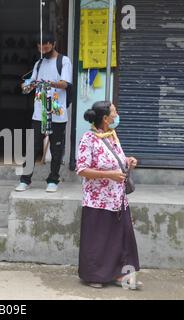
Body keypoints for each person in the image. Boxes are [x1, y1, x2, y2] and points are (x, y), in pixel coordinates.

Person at [77, 101, 141, 289]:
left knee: (120, 238)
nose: (116, 115)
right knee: (99, 240)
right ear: (105, 119)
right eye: (113, 112)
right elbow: (81, 169)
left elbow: (115, 159)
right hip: (98, 200)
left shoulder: (112, 135)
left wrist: (128, 161)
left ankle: (120, 275)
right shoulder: (88, 139)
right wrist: (109, 175)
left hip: (118, 199)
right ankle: (94, 276)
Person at [15, 33, 72, 193]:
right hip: (39, 114)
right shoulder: (38, 63)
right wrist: (26, 86)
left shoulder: (64, 61)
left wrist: (47, 83)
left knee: (56, 149)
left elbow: (65, 84)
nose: (42, 48)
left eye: (45, 45)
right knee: (33, 147)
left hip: (57, 114)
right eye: (39, 46)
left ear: (53, 44)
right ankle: (25, 180)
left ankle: (53, 180)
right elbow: (30, 85)